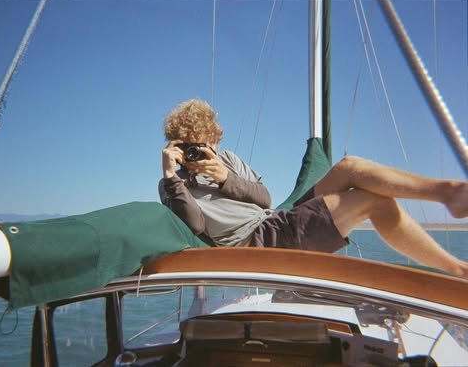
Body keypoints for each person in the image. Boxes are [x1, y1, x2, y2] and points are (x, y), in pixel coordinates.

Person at [159, 98, 468, 277]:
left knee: (350, 167)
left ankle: (450, 193)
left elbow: (265, 198)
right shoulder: (172, 184)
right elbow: (196, 224)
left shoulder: (226, 160)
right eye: (187, 146)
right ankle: (457, 270)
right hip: (260, 243)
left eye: (202, 144)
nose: (196, 153)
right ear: (175, 144)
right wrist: (173, 177)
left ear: (213, 140)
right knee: (373, 202)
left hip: (275, 221)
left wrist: (225, 178)